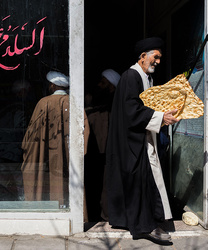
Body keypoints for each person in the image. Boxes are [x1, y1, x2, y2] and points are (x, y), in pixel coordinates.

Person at [105, 37, 179, 244]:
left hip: (141, 138)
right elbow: (131, 111)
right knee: (140, 182)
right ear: (143, 56)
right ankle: (144, 226)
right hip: (134, 143)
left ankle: (143, 221)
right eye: (156, 57)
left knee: (144, 182)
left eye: (159, 58)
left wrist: (161, 114)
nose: (158, 61)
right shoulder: (131, 76)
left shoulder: (144, 77)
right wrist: (160, 118)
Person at [21, 71, 90, 208]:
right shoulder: (75, 102)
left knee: (49, 181)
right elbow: (84, 129)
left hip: (48, 155)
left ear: (52, 86)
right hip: (71, 155)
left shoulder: (43, 103)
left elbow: (32, 133)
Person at [84, 69, 120, 222]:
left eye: (103, 83)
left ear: (111, 86)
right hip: (96, 153)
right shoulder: (98, 103)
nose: (99, 85)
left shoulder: (115, 106)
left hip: (109, 153)